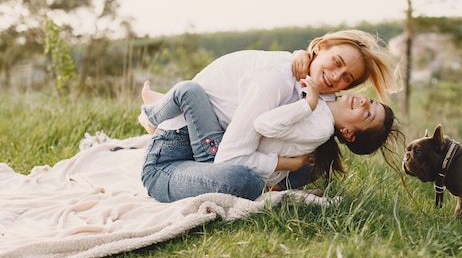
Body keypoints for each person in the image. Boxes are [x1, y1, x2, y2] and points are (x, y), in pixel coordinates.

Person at [140, 29, 399, 203]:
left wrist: (302, 55)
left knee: (312, 165)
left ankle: (159, 109)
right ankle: (155, 116)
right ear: (319, 49)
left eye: (347, 78)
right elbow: (229, 159)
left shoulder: (322, 94)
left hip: (213, 139)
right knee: (244, 181)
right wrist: (286, 164)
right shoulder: (276, 80)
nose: (336, 76)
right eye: (337, 62)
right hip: (172, 157)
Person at [140, 73, 399, 190]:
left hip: (218, 156)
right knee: (190, 93)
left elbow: (263, 124)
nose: (365, 102)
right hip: (222, 149)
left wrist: (306, 105)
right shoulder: (324, 99)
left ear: (348, 133)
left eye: (367, 115)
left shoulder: (319, 121)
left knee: (188, 91)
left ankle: (151, 113)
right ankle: (158, 109)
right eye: (372, 102)